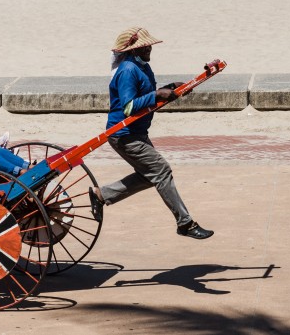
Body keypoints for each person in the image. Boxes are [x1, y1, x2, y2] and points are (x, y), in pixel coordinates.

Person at [90, 26, 213, 240]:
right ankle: (185, 223)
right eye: (144, 47)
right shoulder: (128, 70)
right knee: (161, 171)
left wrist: (172, 87)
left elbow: (146, 94)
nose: (149, 50)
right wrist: (158, 94)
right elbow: (128, 108)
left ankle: (102, 195)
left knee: (150, 176)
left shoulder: (143, 67)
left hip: (137, 132)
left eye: (148, 46)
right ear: (132, 50)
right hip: (124, 134)